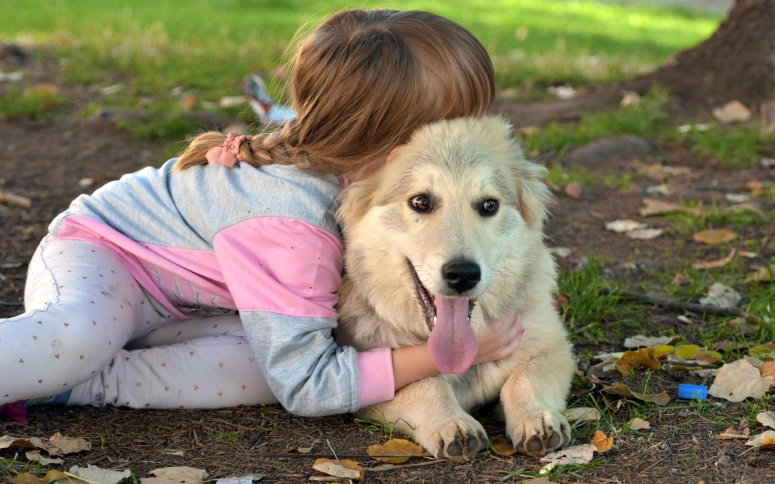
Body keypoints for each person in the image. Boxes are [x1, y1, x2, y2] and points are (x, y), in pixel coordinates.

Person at [0, 9, 523, 422]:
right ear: (382, 138)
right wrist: (446, 355)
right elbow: (309, 387)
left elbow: (293, 369)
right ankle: (49, 365)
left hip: (185, 306)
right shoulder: (292, 222)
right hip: (102, 257)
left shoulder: (354, 166)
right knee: (74, 340)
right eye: (455, 124)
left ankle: (75, 385)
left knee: (270, 366)